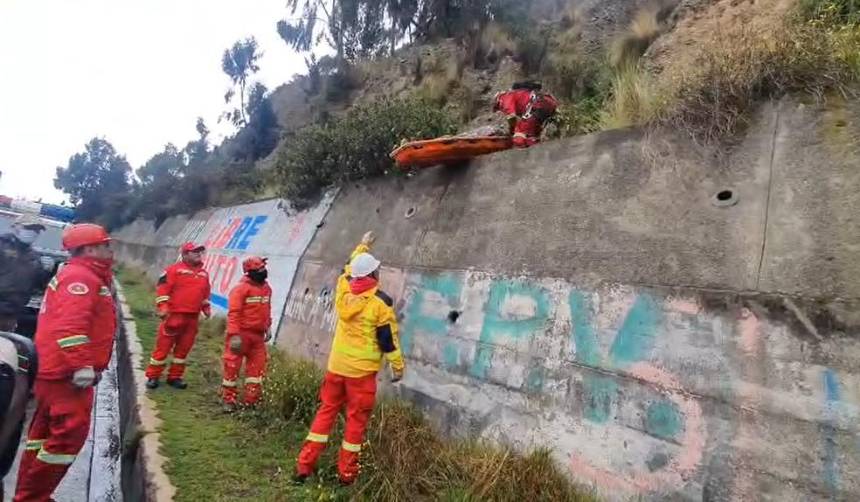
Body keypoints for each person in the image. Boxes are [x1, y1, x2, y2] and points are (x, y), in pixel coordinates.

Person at [13, 223, 116, 502]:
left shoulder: (80, 274)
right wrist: (81, 365)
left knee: (42, 435)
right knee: (67, 437)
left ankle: (29, 494)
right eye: (106, 244)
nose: (111, 249)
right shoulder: (82, 279)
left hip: (55, 371)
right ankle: (32, 497)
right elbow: (70, 327)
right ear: (90, 248)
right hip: (66, 376)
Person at [294, 231, 405, 486]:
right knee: (355, 424)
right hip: (361, 376)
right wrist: (397, 367)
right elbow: (388, 340)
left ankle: (304, 465)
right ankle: (347, 474)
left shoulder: (343, 289)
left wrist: (363, 244)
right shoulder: (380, 303)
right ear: (373, 276)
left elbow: (349, 266)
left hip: (336, 368)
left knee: (325, 413)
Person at [145, 242, 211, 390]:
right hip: (174, 316)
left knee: (183, 350)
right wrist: (163, 307)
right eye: (195, 252)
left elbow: (205, 294)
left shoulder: (203, 274)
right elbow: (163, 290)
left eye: (200, 252)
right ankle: (153, 376)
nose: (198, 254)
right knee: (163, 348)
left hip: (192, 318)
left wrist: (206, 308)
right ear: (185, 254)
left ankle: (175, 377)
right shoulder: (172, 271)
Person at [220, 256, 272, 411]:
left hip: (257, 336)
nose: (263, 272)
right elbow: (234, 313)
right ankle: (228, 400)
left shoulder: (266, 288)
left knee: (257, 370)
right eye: (259, 269)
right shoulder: (240, 289)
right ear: (250, 272)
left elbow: (267, 310)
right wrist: (234, 335)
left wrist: (267, 327)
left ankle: (251, 401)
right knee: (232, 367)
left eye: (263, 268)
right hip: (241, 334)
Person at [0, 215, 46, 332]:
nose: (33, 232)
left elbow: (39, 284)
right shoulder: (1, 245)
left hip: (11, 313)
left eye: (37, 230)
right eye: (29, 228)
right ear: (16, 227)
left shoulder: (34, 258)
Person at [493, 81, 559, 148]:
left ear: (498, 101)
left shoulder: (504, 98)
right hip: (549, 102)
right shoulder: (518, 94)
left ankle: (527, 154)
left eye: (498, 108)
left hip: (538, 105)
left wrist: (512, 131)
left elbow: (511, 117)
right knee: (532, 134)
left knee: (519, 136)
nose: (501, 110)